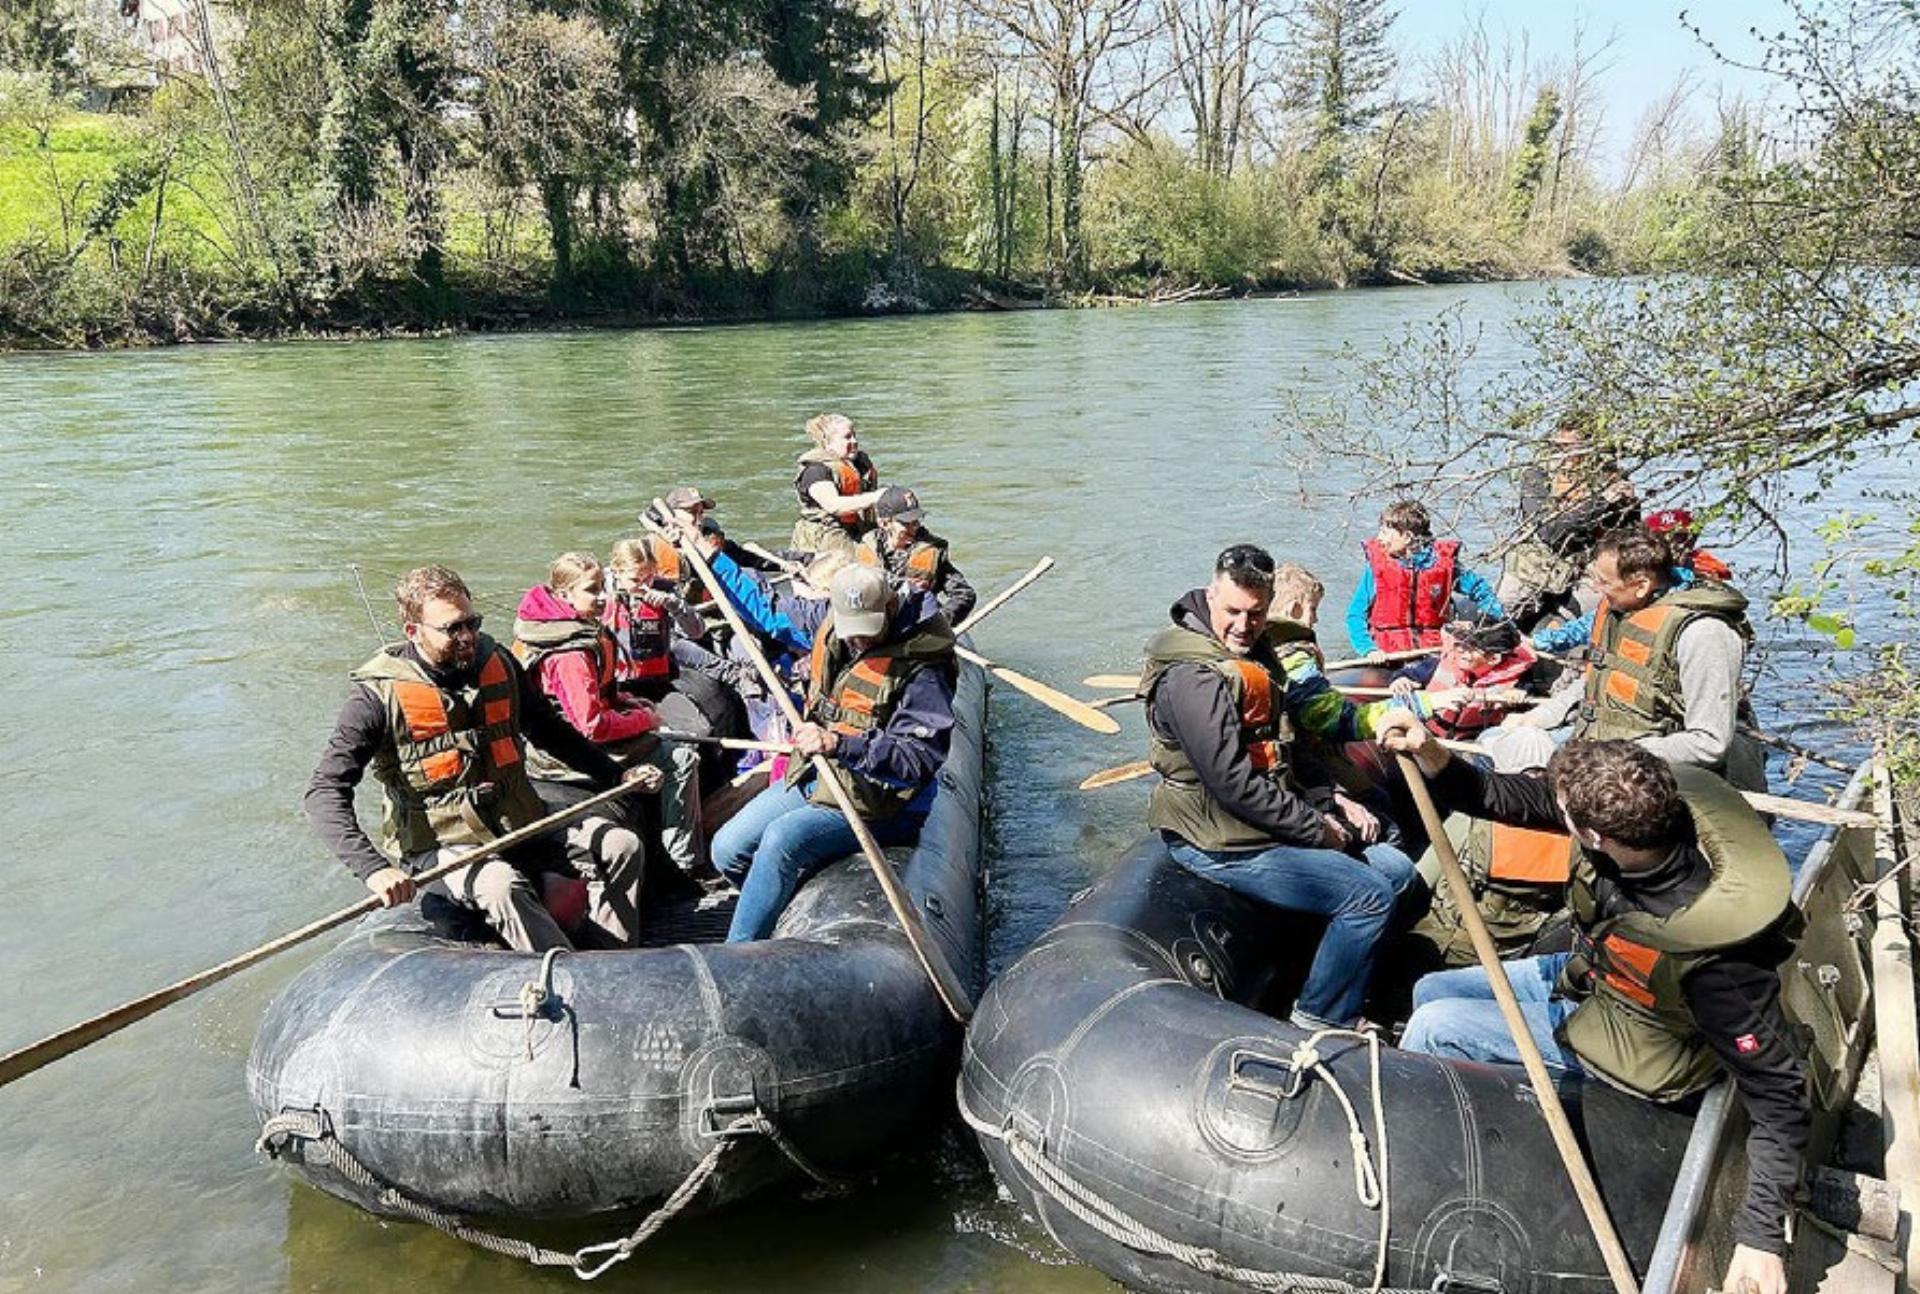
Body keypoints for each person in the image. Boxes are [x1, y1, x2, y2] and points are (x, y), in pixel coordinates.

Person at [1378, 714, 1806, 1294]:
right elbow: (1503, 795)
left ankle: (1437, 1161)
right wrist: (1433, 755)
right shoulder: (1638, 819)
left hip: (1639, 1038)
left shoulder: (1720, 961)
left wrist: (1760, 1238)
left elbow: (1780, 1092)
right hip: (1593, 976)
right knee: (1431, 988)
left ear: (1594, 836)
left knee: (1433, 1024)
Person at [305, 565, 655, 953]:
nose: (467, 637)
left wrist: (616, 775)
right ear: (413, 631)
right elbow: (324, 792)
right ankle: (572, 977)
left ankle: (616, 959)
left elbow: (550, 731)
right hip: (442, 845)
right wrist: (374, 869)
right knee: (500, 885)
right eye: (452, 629)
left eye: (471, 623)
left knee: (622, 845)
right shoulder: (374, 699)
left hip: (517, 823)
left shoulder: (498, 661)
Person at [1144, 544, 1418, 1030]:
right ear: (1210, 597)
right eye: (1232, 612)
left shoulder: (1258, 654)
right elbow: (1233, 785)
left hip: (1257, 828)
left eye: (1255, 614)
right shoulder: (1194, 679)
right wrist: (1318, 830)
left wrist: (1327, 797)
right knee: (1368, 895)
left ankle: (1335, 977)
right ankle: (1320, 1017)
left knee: (1394, 868)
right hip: (1215, 840)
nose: (1243, 625)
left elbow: (1284, 747)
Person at [681, 515, 958, 942]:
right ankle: (786, 912)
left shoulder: (924, 669)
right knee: (727, 848)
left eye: (867, 634)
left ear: (888, 611)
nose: (857, 642)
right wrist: (713, 557)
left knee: (781, 840)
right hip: (822, 778)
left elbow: (918, 759)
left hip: (886, 800)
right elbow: (767, 609)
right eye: (851, 632)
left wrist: (839, 743)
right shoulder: (832, 622)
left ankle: (737, 954)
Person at [1495, 527, 1765, 788]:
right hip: (1599, 754)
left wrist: (1613, 755)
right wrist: (1539, 717)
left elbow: (1709, 743)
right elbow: (1598, 681)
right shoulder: (1620, 609)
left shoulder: (1703, 633)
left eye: (1603, 582)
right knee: (1501, 743)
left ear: (1641, 586)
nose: (1597, 589)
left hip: (1652, 777)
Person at [513, 551, 704, 881]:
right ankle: (683, 867)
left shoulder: (568, 628)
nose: (602, 596)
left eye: (603, 586)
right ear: (563, 595)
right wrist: (647, 720)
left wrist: (628, 701)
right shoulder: (569, 653)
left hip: (570, 737)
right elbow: (591, 726)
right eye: (591, 590)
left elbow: (595, 696)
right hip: (566, 755)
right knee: (682, 758)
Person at [606, 536, 755, 748]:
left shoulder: (664, 590)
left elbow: (696, 631)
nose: (643, 586)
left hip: (656, 680)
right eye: (635, 580)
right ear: (617, 572)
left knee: (701, 730)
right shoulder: (601, 597)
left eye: (648, 577)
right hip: (618, 685)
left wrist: (675, 606)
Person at [1498, 415, 1640, 632]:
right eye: (1561, 447)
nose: (1566, 455)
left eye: (1575, 448)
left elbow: (1626, 537)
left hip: (1587, 570)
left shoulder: (1611, 479)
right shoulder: (1538, 475)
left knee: (1569, 625)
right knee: (1495, 621)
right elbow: (1550, 531)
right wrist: (1600, 502)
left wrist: (1628, 505)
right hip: (1535, 566)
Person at [1346, 500, 1504, 656]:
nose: (1379, 538)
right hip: (1387, 652)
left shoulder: (1445, 565)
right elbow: (1355, 615)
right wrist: (1368, 649)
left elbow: (1481, 591)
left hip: (1433, 650)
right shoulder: (1376, 569)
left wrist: (1490, 624)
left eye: (1385, 533)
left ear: (1407, 537)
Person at [1388, 614, 1544, 740]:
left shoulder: (1517, 680)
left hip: (1471, 739)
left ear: (1493, 658)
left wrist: (1517, 698)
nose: (1461, 651)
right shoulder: (1441, 662)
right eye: (1462, 644)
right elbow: (1408, 673)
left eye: (1470, 648)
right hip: (1425, 730)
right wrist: (1400, 679)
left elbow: (1529, 701)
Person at [855, 485, 977, 623]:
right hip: (874, 628)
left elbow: (964, 594)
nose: (914, 527)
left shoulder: (932, 551)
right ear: (884, 523)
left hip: (916, 626)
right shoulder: (862, 551)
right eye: (906, 523)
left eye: (916, 520)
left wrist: (937, 621)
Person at [791, 412, 883, 555]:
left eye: (854, 435)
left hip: (856, 529)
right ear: (827, 442)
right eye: (847, 437)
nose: (854, 441)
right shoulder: (816, 471)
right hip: (823, 538)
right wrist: (875, 497)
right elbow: (833, 505)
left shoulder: (858, 464)